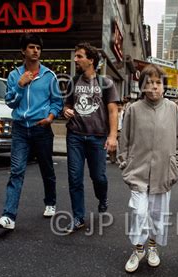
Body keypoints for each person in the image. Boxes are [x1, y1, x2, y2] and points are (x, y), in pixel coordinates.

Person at [119, 64, 178, 273]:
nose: (154, 87)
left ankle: (152, 247)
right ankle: (138, 249)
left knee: (157, 215)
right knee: (139, 212)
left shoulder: (173, 109)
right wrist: (126, 165)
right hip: (137, 171)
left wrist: (176, 167)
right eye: (149, 83)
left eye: (158, 83)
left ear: (164, 86)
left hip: (163, 173)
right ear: (142, 87)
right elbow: (125, 140)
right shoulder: (133, 110)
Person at [0, 33, 63, 230]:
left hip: (41, 129)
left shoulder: (49, 75)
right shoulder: (14, 75)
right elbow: (10, 102)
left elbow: (57, 102)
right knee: (16, 171)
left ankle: (50, 202)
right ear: (23, 51)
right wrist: (21, 85)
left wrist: (50, 117)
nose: (36, 51)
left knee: (47, 169)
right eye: (31, 47)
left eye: (38, 48)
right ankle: (9, 216)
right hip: (21, 129)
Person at [63, 42, 119, 233]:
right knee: (75, 178)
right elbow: (67, 105)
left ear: (91, 60)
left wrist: (113, 136)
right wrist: (67, 111)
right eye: (75, 56)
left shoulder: (106, 83)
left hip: (97, 138)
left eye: (79, 56)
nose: (75, 59)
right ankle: (78, 217)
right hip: (75, 137)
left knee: (99, 177)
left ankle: (102, 198)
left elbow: (113, 111)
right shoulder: (73, 82)